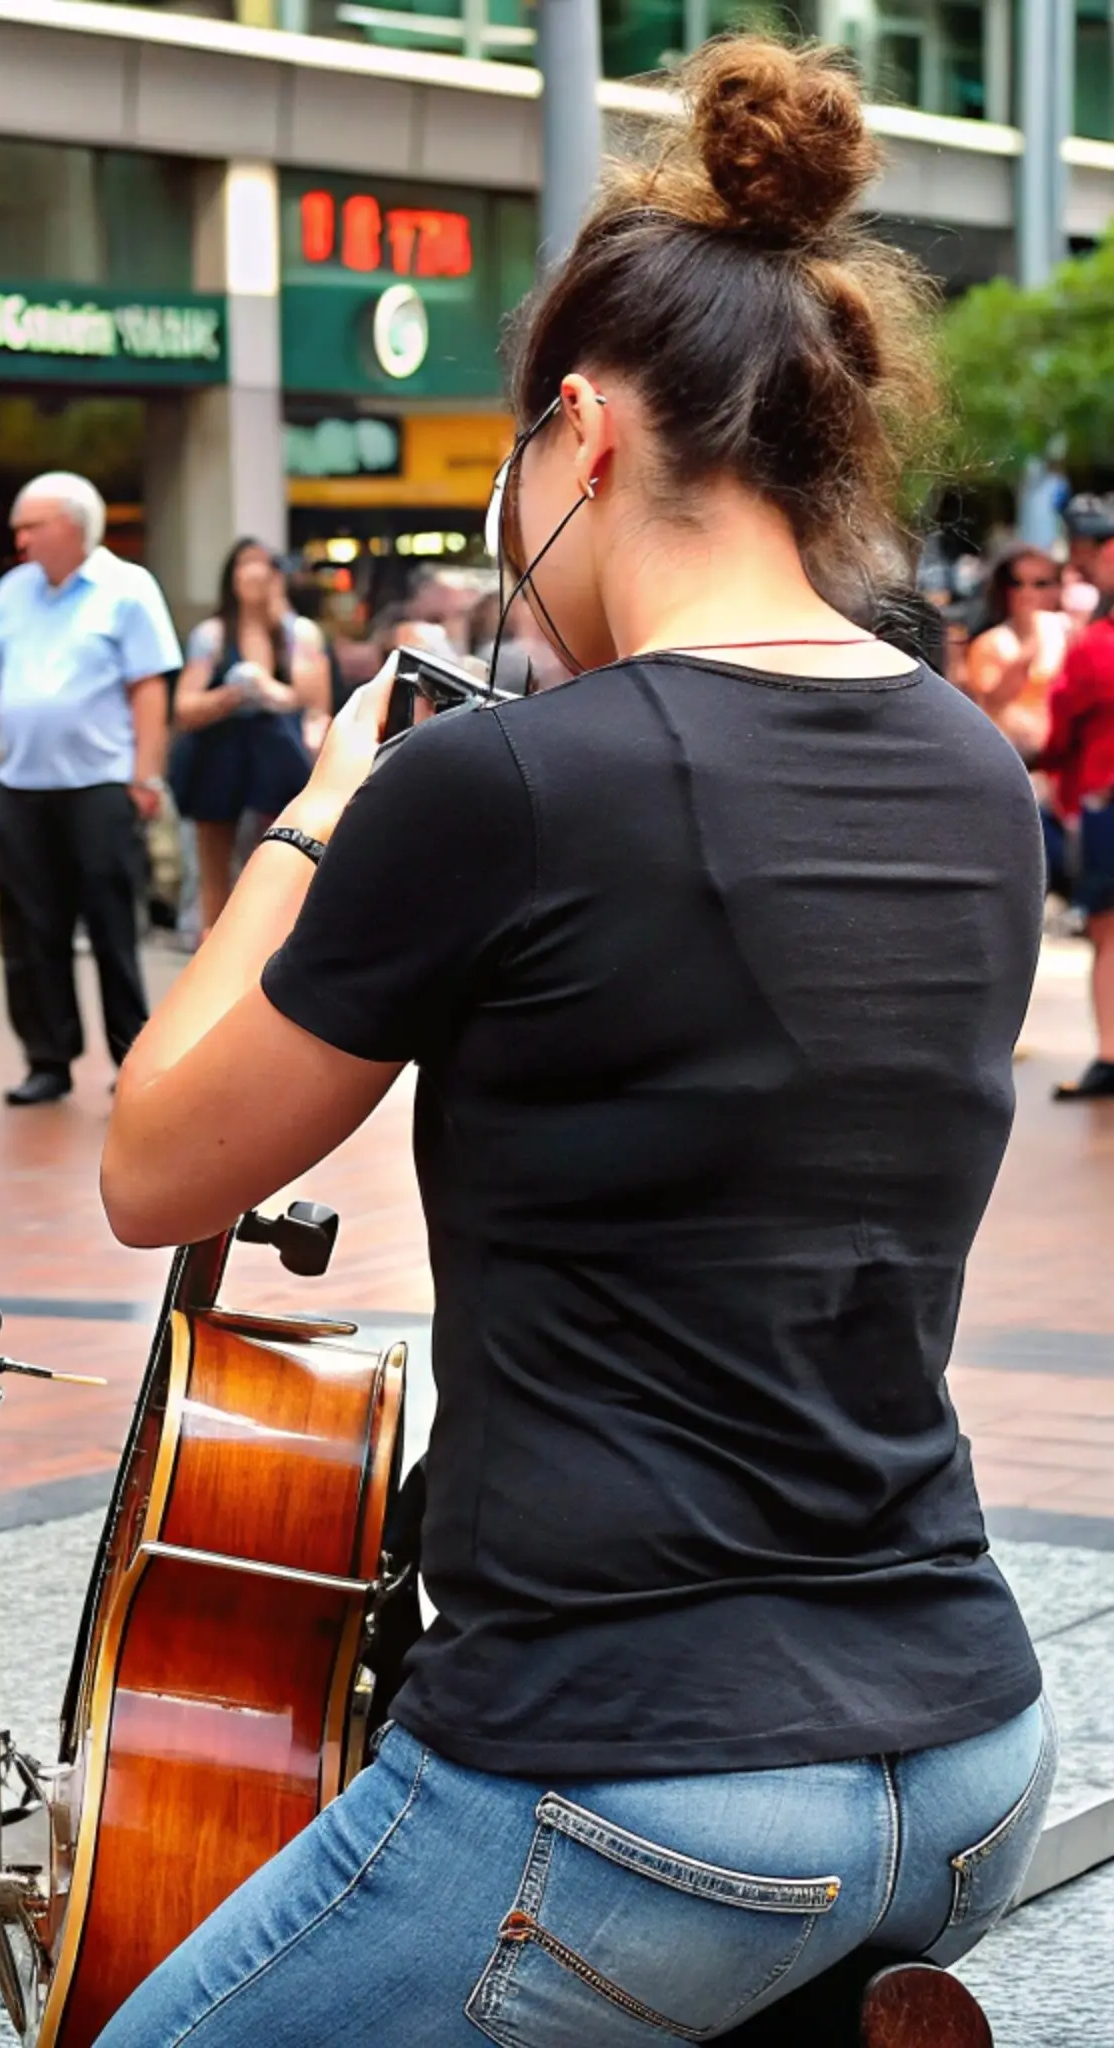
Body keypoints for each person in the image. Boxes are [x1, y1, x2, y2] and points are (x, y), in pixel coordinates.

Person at [96, 42, 1050, 2045]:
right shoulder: (974, 769)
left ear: (581, 433)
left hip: (624, 1783)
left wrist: (308, 821)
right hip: (966, 1748)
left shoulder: (504, 784)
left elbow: (152, 1164)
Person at [0, 473, 180, 1105]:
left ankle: (131, 1058)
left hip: (99, 786)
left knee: (112, 925)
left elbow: (148, 689)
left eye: (31, 526)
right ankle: (47, 1059)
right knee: (30, 930)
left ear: (74, 527)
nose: (20, 540)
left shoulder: (128, 588)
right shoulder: (11, 592)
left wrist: (146, 774)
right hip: (20, 785)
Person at [169, 539, 328, 933]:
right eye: (245, 564)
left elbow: (314, 701)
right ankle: (212, 936)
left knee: (280, 856)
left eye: (264, 566)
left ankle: (272, 944)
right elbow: (185, 707)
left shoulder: (298, 634)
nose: (254, 575)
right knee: (214, 863)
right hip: (220, 752)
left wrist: (277, 614)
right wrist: (234, 693)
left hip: (276, 754)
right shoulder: (212, 636)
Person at [1043, 494, 1114, 1099]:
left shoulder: (1095, 646)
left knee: (1109, 929)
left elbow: (1060, 727)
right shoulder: (1093, 644)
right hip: (1103, 800)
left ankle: (1112, 1053)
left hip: (1104, 801)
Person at [965, 543, 1071, 891]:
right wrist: (1029, 646)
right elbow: (994, 699)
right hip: (1016, 771)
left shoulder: (1068, 633)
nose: (1029, 593)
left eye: (1041, 583)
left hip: (1060, 769)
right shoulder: (991, 643)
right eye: (1018, 583)